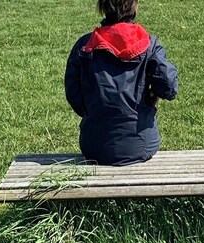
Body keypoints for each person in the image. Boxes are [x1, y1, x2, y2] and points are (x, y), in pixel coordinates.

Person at [64, 0, 178, 166]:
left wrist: (94, 112)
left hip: (94, 145)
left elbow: (73, 93)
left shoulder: (85, 46)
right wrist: (152, 100)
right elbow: (169, 86)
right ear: (134, 6)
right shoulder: (149, 43)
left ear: (102, 7)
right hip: (140, 144)